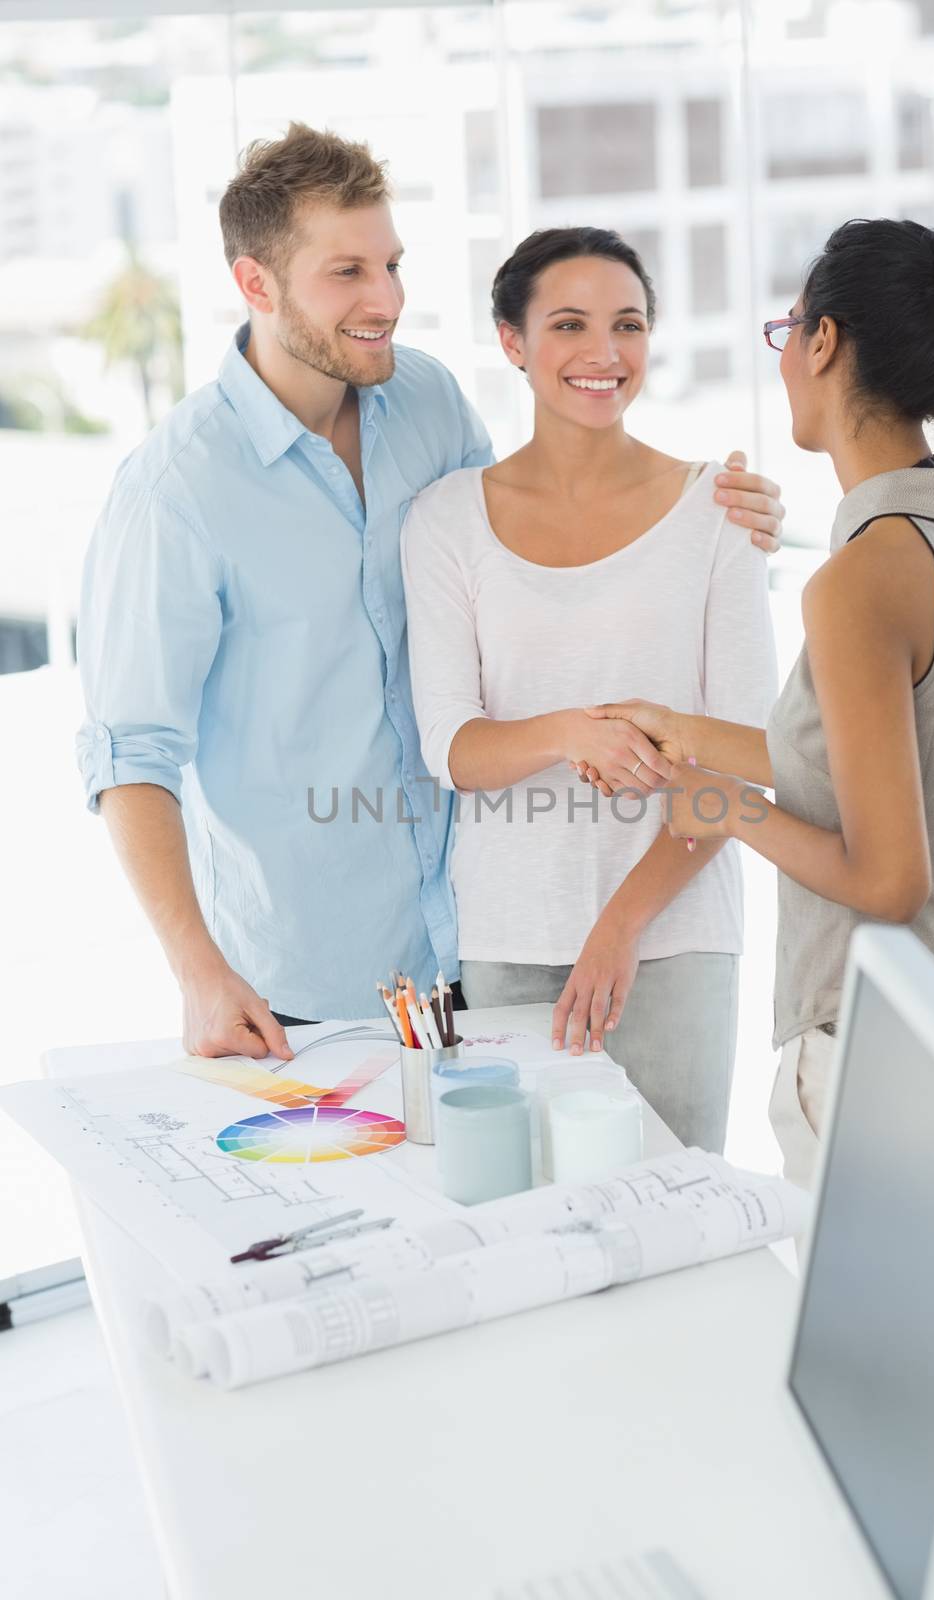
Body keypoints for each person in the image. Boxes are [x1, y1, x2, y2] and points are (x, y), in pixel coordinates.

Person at [76, 123, 782, 1063]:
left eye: (393, 265)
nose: (386, 301)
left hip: (477, 946)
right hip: (305, 983)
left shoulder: (427, 403)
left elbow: (518, 573)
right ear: (256, 284)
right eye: (348, 273)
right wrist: (198, 972)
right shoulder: (177, 491)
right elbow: (129, 754)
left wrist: (722, 517)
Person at [586, 218, 934, 1185]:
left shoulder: (856, 578)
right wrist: (686, 734)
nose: (784, 356)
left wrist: (721, 807)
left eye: (785, 331)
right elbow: (871, 761)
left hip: (881, 1065)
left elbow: (888, 882)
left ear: (821, 341)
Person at [401, 227, 780, 1151]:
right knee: (523, 1217)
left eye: (629, 324)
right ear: (511, 341)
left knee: (682, 1211)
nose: (604, 354)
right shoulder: (446, 519)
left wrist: (620, 926)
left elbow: (742, 769)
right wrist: (572, 730)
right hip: (508, 937)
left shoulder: (715, 512)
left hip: (676, 938)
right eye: (568, 324)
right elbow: (453, 750)